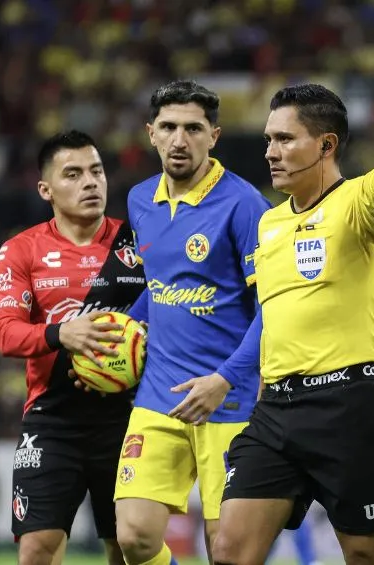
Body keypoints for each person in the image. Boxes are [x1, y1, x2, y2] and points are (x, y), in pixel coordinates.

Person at [211, 83, 374, 565]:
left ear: (327, 145)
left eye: (286, 139)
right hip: (277, 411)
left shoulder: (358, 204)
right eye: (269, 139)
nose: (271, 151)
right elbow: (277, 320)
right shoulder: (269, 225)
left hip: (349, 408)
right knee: (229, 550)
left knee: (365, 556)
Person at [109, 80, 270, 565]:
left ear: (214, 136)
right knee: (134, 538)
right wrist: (115, 331)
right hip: (159, 395)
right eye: (169, 127)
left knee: (226, 551)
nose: (180, 139)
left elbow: (274, 309)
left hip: (230, 401)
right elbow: (160, 291)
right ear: (151, 134)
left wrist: (225, 380)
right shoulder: (140, 200)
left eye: (193, 128)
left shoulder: (244, 206)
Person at [0, 130, 146, 565]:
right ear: (46, 189)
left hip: (128, 417)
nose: (90, 182)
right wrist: (62, 333)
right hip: (53, 420)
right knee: (37, 549)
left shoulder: (137, 243)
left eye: (96, 171)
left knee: (128, 544)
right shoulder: (20, 250)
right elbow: (5, 332)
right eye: (73, 174)